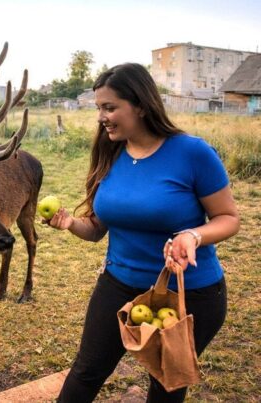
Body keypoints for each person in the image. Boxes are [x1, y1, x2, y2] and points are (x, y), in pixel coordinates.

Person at [47, 63, 240, 402]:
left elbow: (228, 217)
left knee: (166, 384)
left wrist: (192, 236)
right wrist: (69, 223)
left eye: (110, 107)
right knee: (87, 371)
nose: (101, 117)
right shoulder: (109, 153)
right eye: (99, 109)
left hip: (187, 294)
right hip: (118, 284)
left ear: (140, 104)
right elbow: (95, 230)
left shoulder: (192, 153)